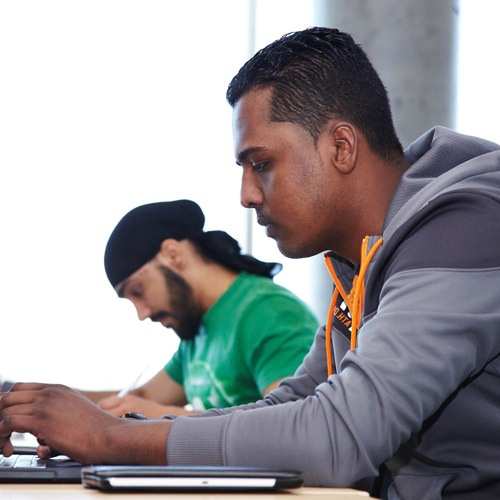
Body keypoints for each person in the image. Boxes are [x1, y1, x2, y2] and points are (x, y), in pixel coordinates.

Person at [1, 26, 500, 500]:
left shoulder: (464, 224)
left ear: (341, 147)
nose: (245, 195)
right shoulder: (362, 263)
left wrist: (109, 441)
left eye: (261, 164)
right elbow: (294, 402)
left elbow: (338, 436)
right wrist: (118, 433)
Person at [80, 199, 318, 417]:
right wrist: (56, 404)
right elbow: (139, 399)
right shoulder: (197, 328)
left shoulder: (270, 313)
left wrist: (159, 418)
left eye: (138, 291)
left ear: (173, 255)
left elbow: (288, 421)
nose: (142, 314)